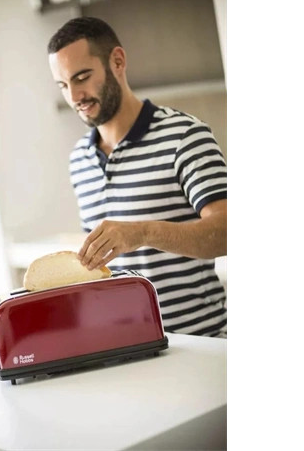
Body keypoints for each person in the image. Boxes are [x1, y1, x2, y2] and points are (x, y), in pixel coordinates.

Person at [47, 17, 227, 337]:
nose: (74, 96)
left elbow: (227, 231)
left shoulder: (184, 136)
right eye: (63, 85)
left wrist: (142, 232)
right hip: (125, 347)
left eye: (82, 77)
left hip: (199, 344)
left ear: (117, 61)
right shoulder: (79, 159)